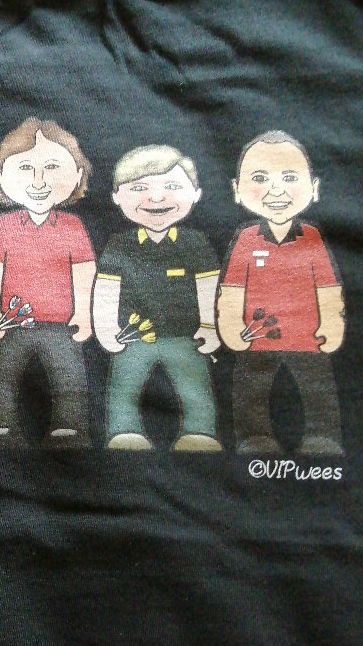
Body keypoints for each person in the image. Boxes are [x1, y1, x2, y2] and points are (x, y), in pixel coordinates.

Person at [217, 130, 345, 454]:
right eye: (260, 178)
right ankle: (254, 439)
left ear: (314, 188)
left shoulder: (312, 237)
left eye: (290, 177)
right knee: (252, 395)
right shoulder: (245, 239)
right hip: (256, 340)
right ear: (237, 190)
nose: (276, 189)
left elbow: (328, 288)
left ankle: (323, 438)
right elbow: (232, 290)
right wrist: (230, 326)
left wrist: (332, 324)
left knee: (317, 392)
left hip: (309, 340)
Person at [93, 145, 221, 451]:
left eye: (172, 186)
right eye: (139, 188)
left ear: (196, 193)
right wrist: (106, 328)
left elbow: (209, 287)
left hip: (187, 337)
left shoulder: (195, 243)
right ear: (116, 197)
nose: (157, 198)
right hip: (132, 339)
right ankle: (123, 430)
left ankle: (200, 432)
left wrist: (210, 326)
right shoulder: (119, 245)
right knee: (124, 385)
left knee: (195, 387)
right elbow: (106, 290)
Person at [0, 118, 96, 447]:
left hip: (61, 324)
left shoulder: (73, 227)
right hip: (11, 323)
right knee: (3, 374)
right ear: (0, 177)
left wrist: (84, 313)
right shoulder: (3, 226)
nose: (39, 181)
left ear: (77, 175)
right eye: (25, 168)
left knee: (68, 375)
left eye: (52, 167)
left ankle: (69, 426)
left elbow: (84, 271)